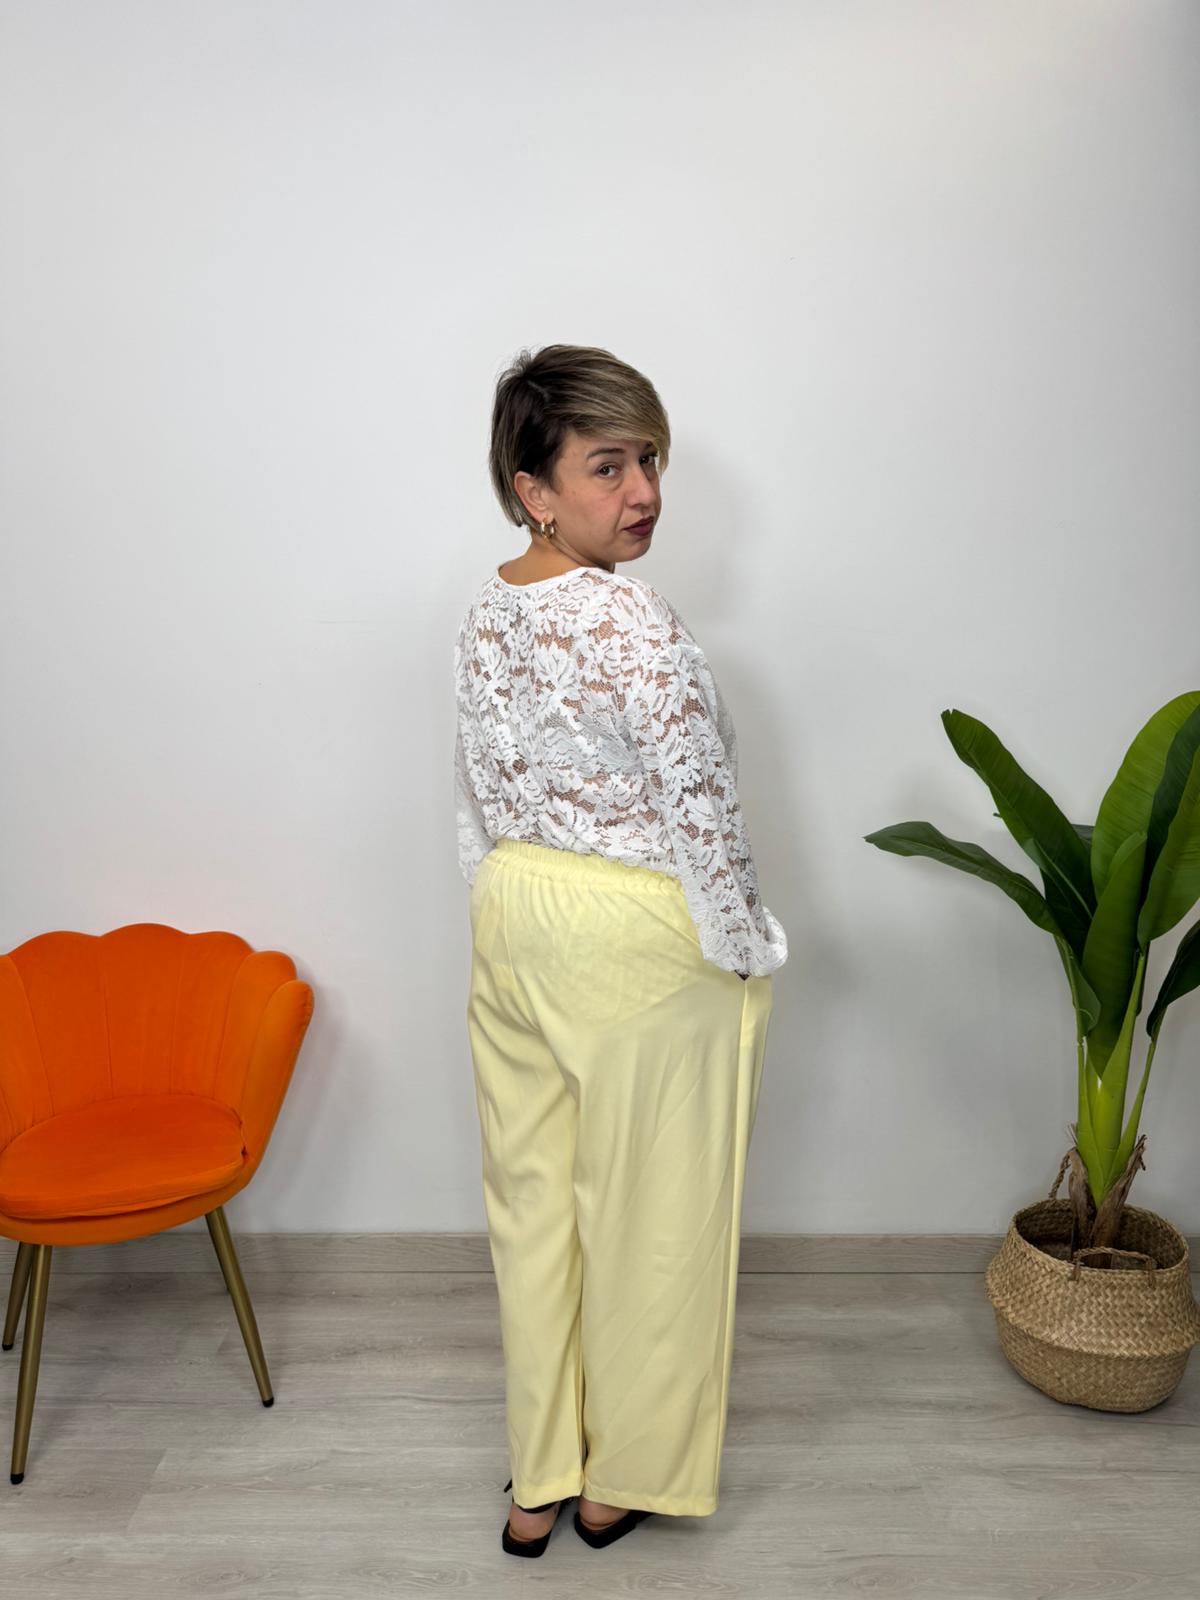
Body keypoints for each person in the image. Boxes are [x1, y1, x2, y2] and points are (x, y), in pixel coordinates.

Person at [453, 343, 787, 1558]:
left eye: (650, 459)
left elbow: (476, 790)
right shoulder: (632, 620)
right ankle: (619, 1481)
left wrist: (501, 910)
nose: (643, 491)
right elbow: (702, 809)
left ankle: (538, 1477)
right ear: (533, 488)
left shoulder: (488, 609)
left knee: (533, 1211)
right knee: (656, 1218)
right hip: (640, 933)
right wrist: (746, 948)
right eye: (607, 465)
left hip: (514, 916)